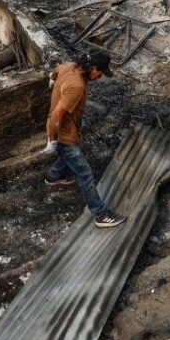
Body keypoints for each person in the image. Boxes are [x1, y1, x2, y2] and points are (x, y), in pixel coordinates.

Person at [44, 51, 127, 228]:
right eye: (100, 72)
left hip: (67, 131)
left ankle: (52, 177)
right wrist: (52, 139)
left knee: (68, 154)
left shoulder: (69, 66)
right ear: (92, 68)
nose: (100, 77)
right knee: (85, 174)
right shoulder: (77, 86)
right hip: (63, 135)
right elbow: (56, 114)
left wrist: (52, 79)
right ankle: (101, 215)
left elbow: (55, 70)